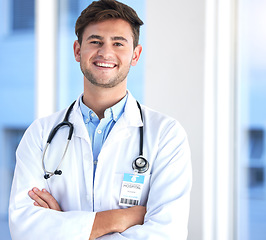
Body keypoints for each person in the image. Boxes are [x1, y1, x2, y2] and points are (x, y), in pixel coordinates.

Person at [9, 0, 192, 239]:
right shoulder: (41, 133)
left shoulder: (166, 134)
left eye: (118, 43)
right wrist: (121, 218)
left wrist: (64, 226)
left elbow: (167, 233)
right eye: (95, 42)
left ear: (135, 55)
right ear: (77, 50)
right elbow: (24, 227)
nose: (106, 52)